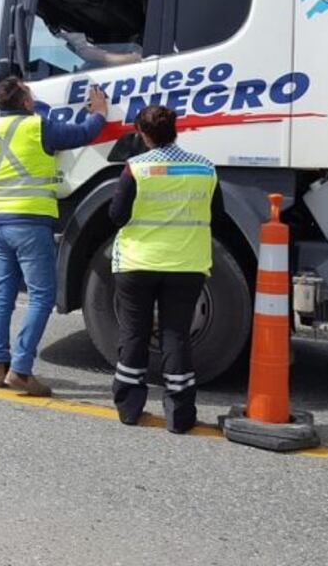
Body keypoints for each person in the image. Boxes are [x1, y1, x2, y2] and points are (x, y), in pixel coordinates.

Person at [0, 76, 108, 396]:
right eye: (30, 95)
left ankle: (0, 366)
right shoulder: (39, 127)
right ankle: (21, 370)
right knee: (41, 296)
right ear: (25, 103)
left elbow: (27, 112)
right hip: (29, 221)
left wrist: (26, 98)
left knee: (3, 295)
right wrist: (99, 113)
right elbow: (83, 133)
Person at [108, 105, 226, 433]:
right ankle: (180, 414)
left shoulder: (136, 168)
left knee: (134, 334)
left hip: (137, 263)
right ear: (176, 130)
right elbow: (216, 215)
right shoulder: (205, 169)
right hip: (187, 264)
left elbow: (117, 216)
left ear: (143, 134)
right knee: (176, 335)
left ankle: (129, 408)